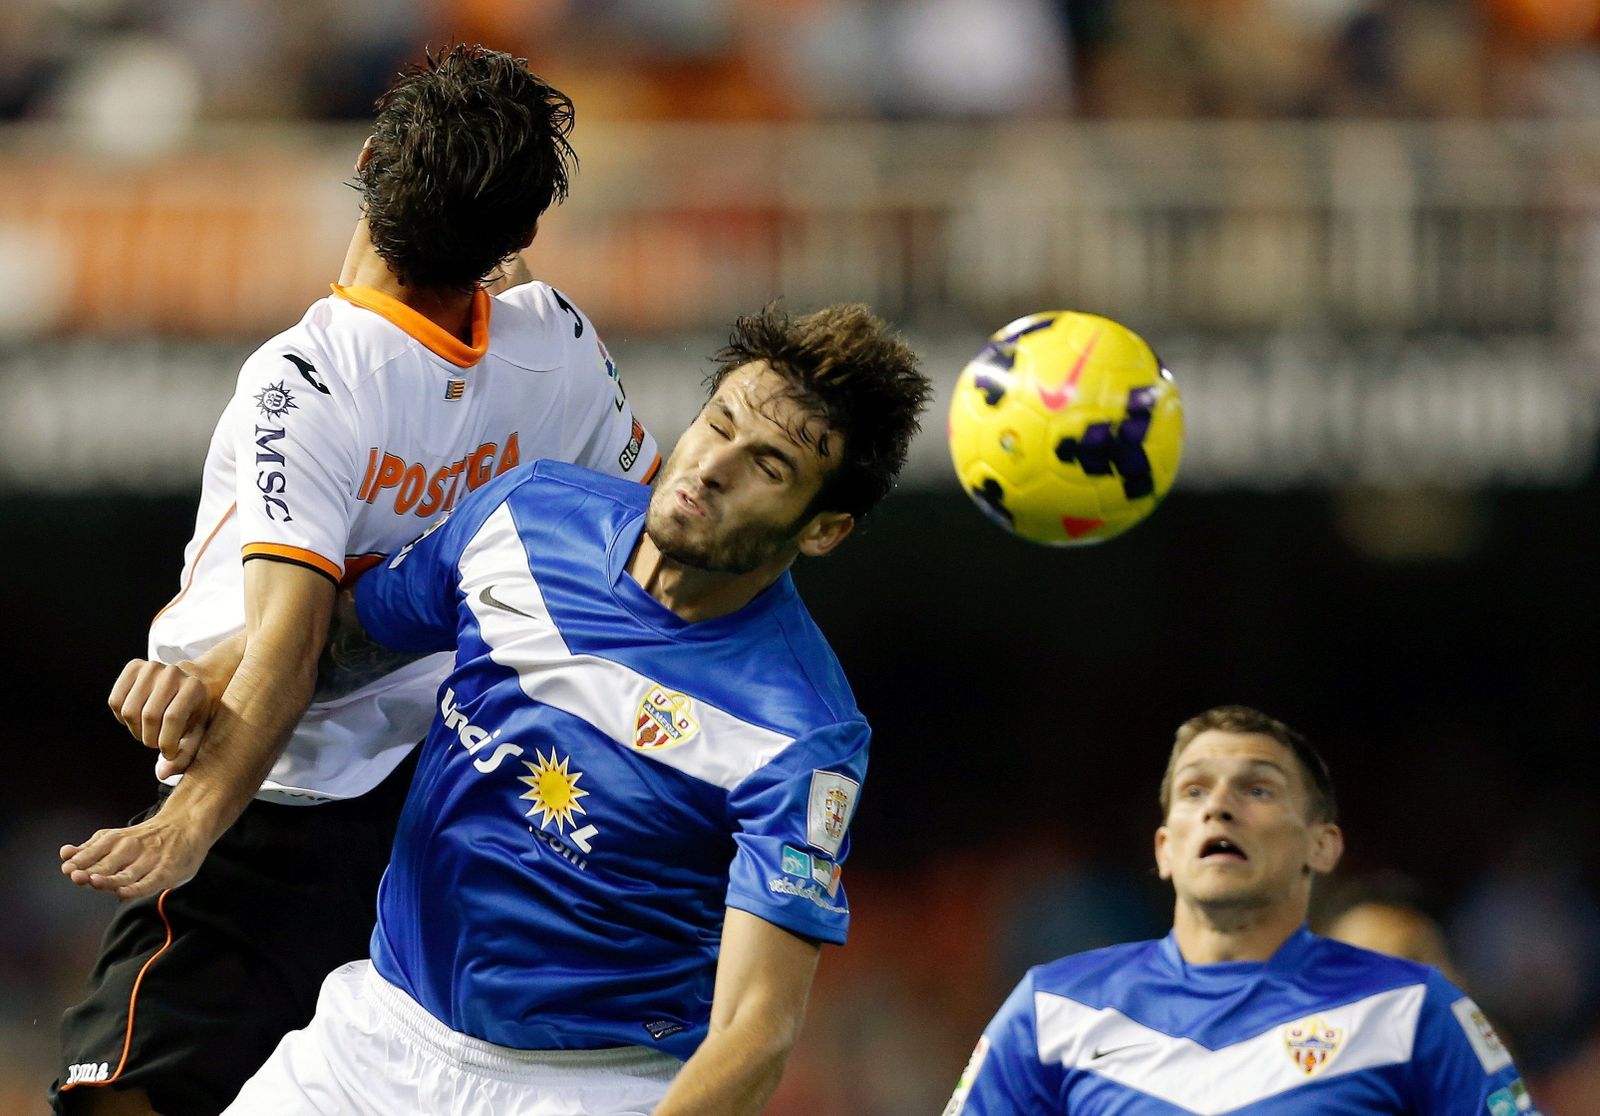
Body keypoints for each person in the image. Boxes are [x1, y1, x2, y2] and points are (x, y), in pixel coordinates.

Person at [107, 302, 931, 1114]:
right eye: (719, 423)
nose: (714, 466)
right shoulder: (529, 515)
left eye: (770, 465)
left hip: (588, 1086)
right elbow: (336, 636)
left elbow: (757, 1032)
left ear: (824, 530)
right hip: (376, 1038)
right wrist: (211, 678)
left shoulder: (799, 731)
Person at [53, 45, 660, 1116]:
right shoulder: (558, 344)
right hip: (434, 799)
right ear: (515, 237)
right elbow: (627, 545)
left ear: (371, 159)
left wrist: (183, 831)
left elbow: (284, 653)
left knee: (124, 1099)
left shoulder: (308, 377)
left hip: (268, 796)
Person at [943, 705, 1544, 1115]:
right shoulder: (1051, 1011)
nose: (1219, 807)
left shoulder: (1415, 1009)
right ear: (1164, 847)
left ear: (1322, 843)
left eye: (1258, 788)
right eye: (1194, 790)